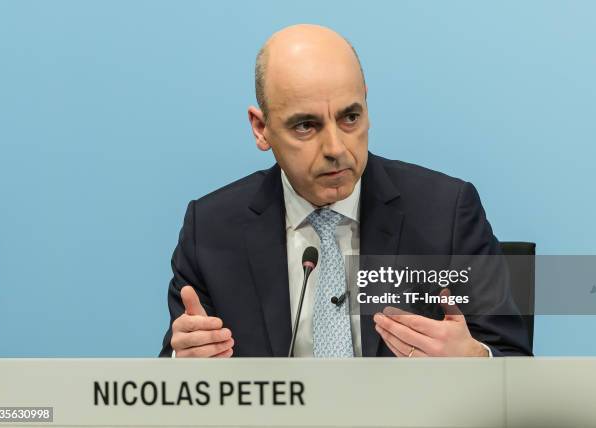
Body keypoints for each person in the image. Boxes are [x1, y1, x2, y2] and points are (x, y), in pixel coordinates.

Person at [159, 24, 532, 358]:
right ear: (261, 128)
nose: (336, 147)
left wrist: (475, 362)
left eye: (350, 117)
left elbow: (514, 361)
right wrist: (187, 367)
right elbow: (174, 383)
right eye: (306, 126)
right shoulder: (209, 229)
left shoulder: (446, 213)